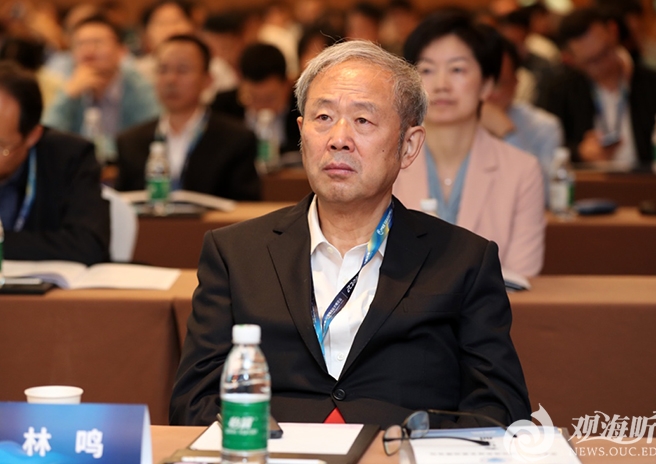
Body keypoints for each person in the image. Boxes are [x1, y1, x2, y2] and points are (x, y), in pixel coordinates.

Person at [170, 40, 530, 429]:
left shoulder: (463, 259)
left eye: (362, 121)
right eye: (323, 117)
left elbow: (499, 409)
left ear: (408, 146)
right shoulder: (236, 252)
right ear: (301, 133)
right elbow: (193, 403)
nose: (338, 138)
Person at [393, 12, 546, 278]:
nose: (441, 85)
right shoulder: (386, 161)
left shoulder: (522, 171)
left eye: (457, 70)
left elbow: (521, 274)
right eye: (427, 70)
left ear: (486, 85)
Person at [538, 7, 656, 167]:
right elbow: (547, 147)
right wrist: (579, 152)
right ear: (571, 59)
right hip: (589, 181)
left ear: (613, 31)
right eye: (591, 61)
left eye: (606, 52)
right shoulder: (560, 91)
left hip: (649, 179)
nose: (602, 65)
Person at [115, 35, 260, 201]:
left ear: (207, 80)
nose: (171, 80)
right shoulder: (130, 142)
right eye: (163, 70)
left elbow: (247, 207)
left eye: (182, 70)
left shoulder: (236, 139)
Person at [0, 61, 109, 265]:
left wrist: (4, 243)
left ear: (33, 135)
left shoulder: (70, 157)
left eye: (1, 146)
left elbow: (88, 243)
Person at [42, 15, 160, 163]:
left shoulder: (138, 87)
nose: (89, 50)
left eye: (97, 43)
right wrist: (68, 96)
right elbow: (45, 140)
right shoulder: (68, 85)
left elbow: (152, 135)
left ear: (121, 51)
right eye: (81, 44)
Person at [482, 34, 563, 203]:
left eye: (498, 84)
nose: (488, 94)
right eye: (481, 83)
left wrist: (508, 134)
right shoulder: (443, 125)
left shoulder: (543, 126)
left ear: (516, 83)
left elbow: (547, 196)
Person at [211, 43, 300, 155]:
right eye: (253, 98)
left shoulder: (301, 109)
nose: (261, 106)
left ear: (287, 85)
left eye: (270, 99)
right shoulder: (223, 108)